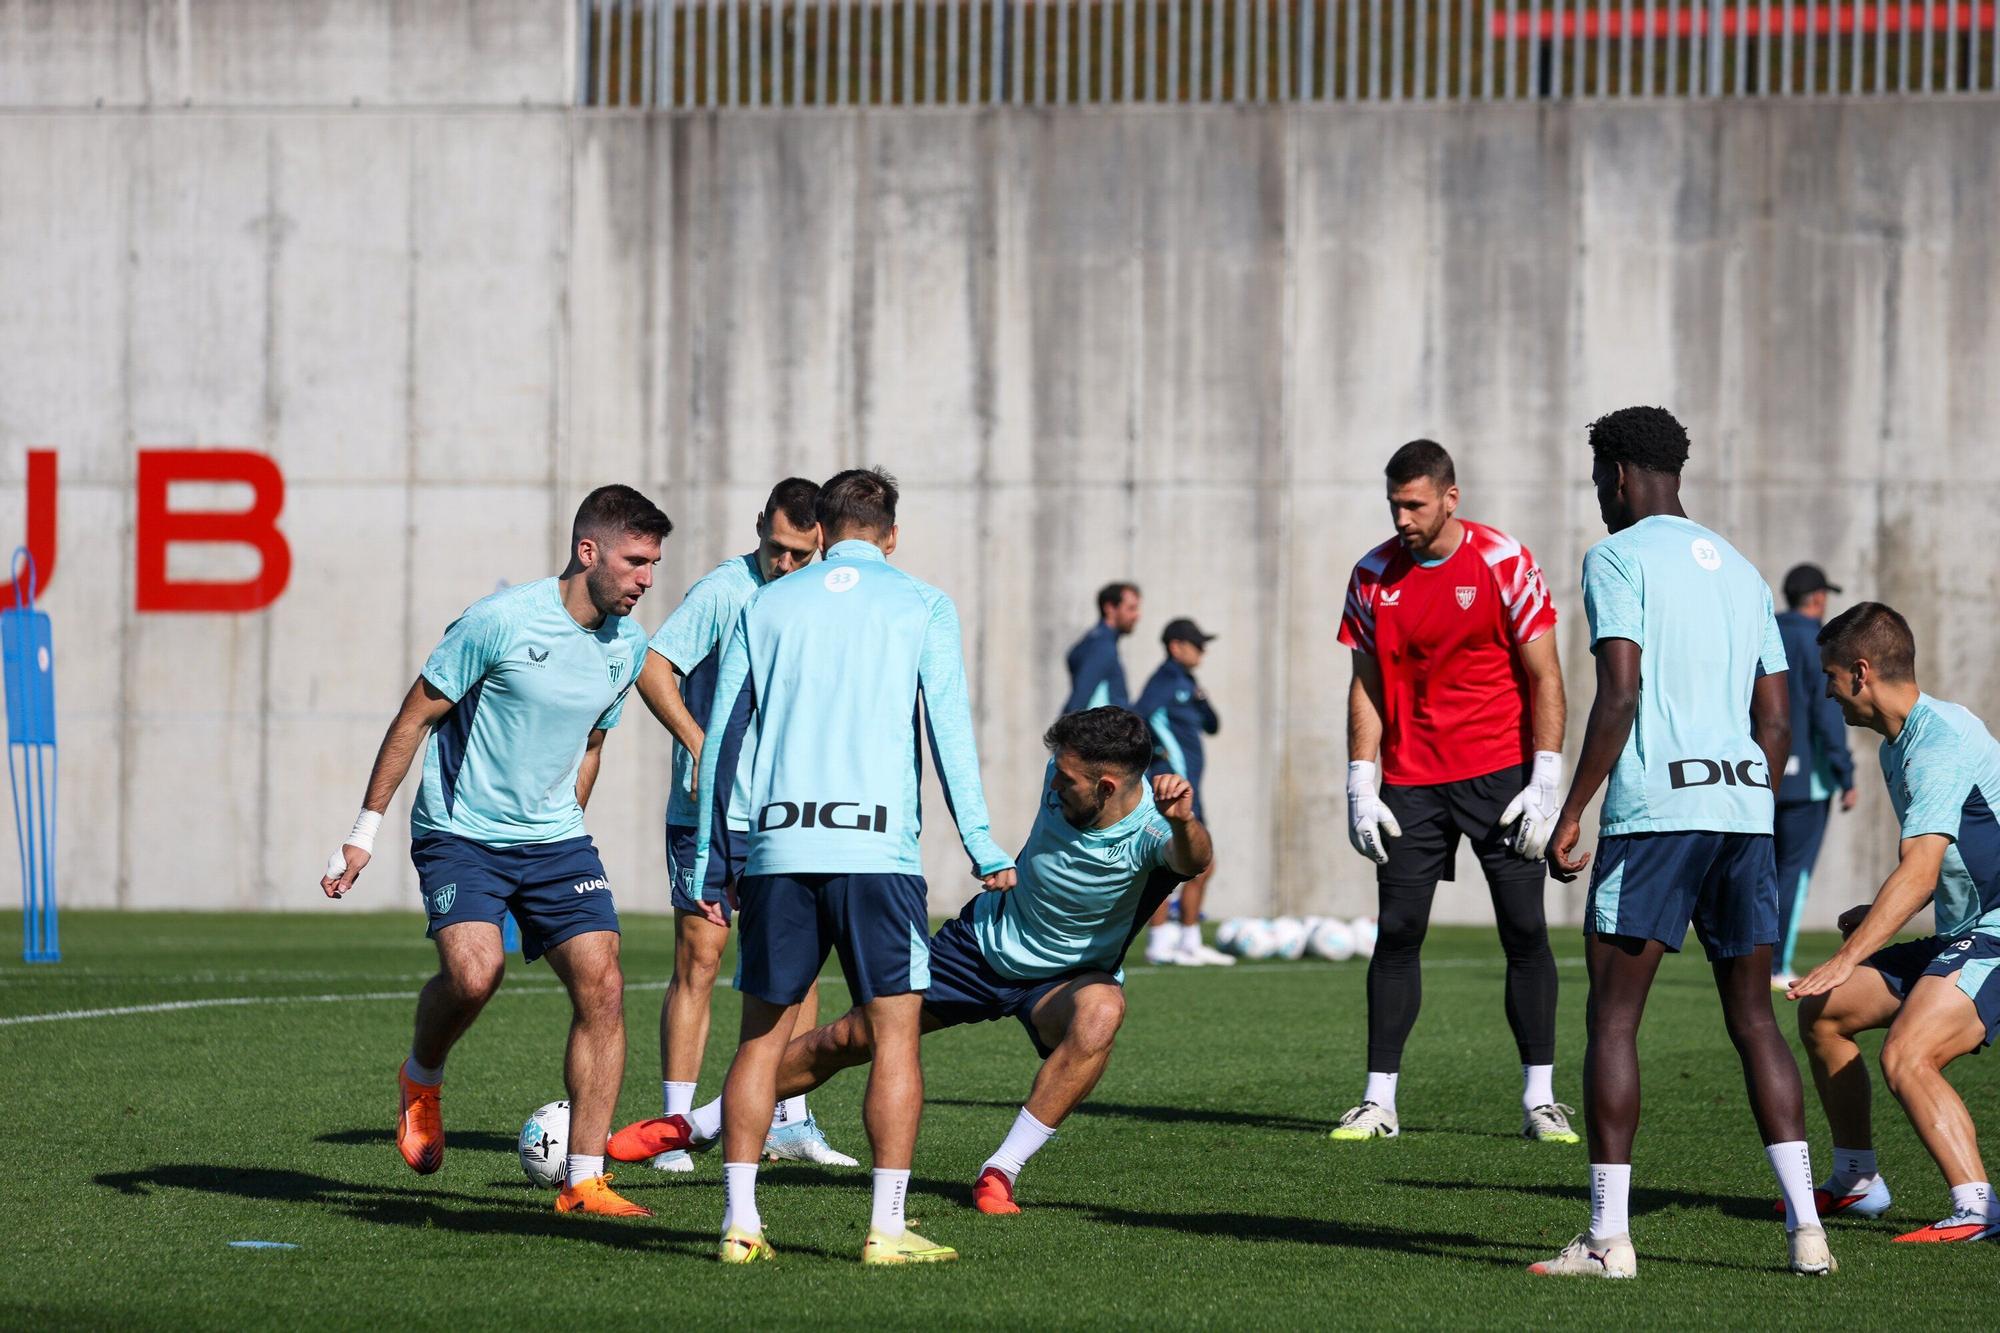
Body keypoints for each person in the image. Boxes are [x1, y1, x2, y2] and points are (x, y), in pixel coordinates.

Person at [608, 467, 1015, 1265]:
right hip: (877, 852)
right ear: (891, 535)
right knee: (895, 1038)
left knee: (760, 1038)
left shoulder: (767, 600)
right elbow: (949, 735)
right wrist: (983, 844)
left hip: (777, 849)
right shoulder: (923, 602)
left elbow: (723, 735)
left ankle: (739, 1224)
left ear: (821, 531)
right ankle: (886, 1228)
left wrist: (715, 856)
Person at [654, 708, 1210, 1216]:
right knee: (847, 1039)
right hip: (980, 945)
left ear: (1106, 786)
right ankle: (698, 1124)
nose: (1054, 784)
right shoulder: (1066, 776)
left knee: (1103, 1012)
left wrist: (1184, 821)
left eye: (1067, 780)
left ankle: (1000, 1172)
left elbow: (1193, 857)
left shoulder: (1155, 833)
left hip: (1067, 979)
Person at [1533, 406, 1832, 1279]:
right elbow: (1774, 715)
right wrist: (1749, 798)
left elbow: (1619, 693)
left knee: (1614, 1016)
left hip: (1656, 815)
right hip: (1744, 812)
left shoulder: (1617, 557)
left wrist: (1571, 809)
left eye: (1599, 480)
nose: (1598, 497)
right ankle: (1808, 1232)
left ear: (1621, 474)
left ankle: (1609, 1240)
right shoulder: (1742, 570)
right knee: (1753, 1019)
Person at [318, 484, 672, 1219]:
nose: (646, 579)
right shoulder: (498, 621)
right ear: (588, 551)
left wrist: (569, 820)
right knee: (476, 974)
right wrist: (364, 832)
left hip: (555, 842)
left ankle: (584, 1180)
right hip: (461, 832)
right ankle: (422, 1076)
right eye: (635, 561)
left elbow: (593, 742)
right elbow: (415, 716)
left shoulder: (627, 647)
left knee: (603, 986)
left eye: (653, 565)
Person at [1333, 439, 1572, 1145]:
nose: (1402, 517)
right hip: (1410, 780)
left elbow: (1546, 676)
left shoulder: (1504, 561)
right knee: (1398, 932)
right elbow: (1366, 683)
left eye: (1414, 503)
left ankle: (1541, 1099)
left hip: (1500, 775)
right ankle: (1378, 1101)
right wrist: (1359, 778)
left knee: (1525, 931)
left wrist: (1546, 779)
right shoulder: (1373, 574)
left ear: (1449, 497)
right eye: (1394, 504)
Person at [627, 477, 855, 1173]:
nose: (784, 564)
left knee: (800, 966)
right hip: (712, 815)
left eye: (799, 554)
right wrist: (700, 744)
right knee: (699, 959)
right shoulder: (726, 590)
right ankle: (674, 1124)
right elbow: (652, 667)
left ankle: (789, 1118)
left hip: (790, 814)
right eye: (775, 547)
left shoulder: (822, 594)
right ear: (759, 525)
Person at [1789, 601, 2000, 1243]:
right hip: (1972, 931)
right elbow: (1948, 862)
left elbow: (1920, 874)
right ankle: (1857, 1181)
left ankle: (1977, 1208)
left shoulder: (1938, 742)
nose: (1826, 693)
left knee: (1909, 1052)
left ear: (1860, 672)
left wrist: (1849, 952)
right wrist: (1873, 918)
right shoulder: (1897, 747)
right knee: (1824, 1012)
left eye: (1828, 677)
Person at [1770, 564, 1858, 988]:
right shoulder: (1817, 641)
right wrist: (1846, 774)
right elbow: (1828, 713)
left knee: (1762, 870)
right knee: (1793, 872)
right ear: (1818, 598)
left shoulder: (1763, 632)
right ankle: (1775, 966)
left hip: (1760, 772)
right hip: (1807, 781)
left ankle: (1750, 963)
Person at [1134, 619, 1232, 967]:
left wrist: (1202, 700)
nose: (1202, 651)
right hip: (1169, 787)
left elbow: (1213, 725)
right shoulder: (1163, 680)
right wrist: (1155, 758)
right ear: (1176, 646)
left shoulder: (1187, 683)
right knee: (1167, 862)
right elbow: (1136, 717)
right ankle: (1161, 941)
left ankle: (1188, 941)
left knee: (1201, 864)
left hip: (1189, 789)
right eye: (1196, 644)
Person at [1063, 582, 1141, 714]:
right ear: (1110, 608)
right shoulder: (1101, 646)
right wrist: (1066, 731)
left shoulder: (1097, 641)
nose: (1137, 615)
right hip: (1103, 731)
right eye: (1131, 608)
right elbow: (1080, 697)